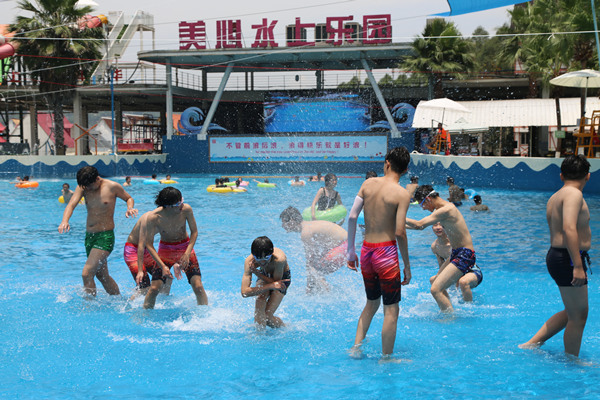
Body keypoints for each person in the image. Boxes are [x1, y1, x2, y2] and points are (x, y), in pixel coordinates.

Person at [519, 155, 592, 357]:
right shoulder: (574, 195)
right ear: (588, 176)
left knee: (572, 312)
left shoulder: (556, 196)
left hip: (560, 256)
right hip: (568, 257)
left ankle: (531, 344)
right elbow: (569, 228)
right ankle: (571, 361)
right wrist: (578, 266)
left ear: (561, 176)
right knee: (578, 316)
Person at [346, 147, 412, 360]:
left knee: (371, 303)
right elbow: (400, 232)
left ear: (387, 163)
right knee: (391, 310)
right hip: (386, 254)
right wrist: (407, 265)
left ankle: (355, 348)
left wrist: (350, 252)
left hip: (366, 251)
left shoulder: (368, 184)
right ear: (405, 170)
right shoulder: (402, 194)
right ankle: (386, 358)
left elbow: (352, 217)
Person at [58, 166, 138, 296]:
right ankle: (118, 300)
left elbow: (129, 198)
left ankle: (89, 305)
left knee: (86, 274)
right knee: (102, 276)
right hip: (90, 237)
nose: (87, 189)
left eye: (90, 186)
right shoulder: (83, 187)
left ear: (97, 178)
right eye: (85, 186)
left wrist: (129, 208)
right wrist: (64, 221)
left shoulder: (112, 186)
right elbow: (71, 205)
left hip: (105, 237)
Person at [406, 185, 477, 312]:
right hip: (456, 253)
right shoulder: (442, 209)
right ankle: (449, 309)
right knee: (434, 282)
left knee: (435, 290)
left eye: (422, 204)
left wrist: (395, 216)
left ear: (428, 199)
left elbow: (419, 224)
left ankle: (450, 317)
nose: (423, 208)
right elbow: (419, 227)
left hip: (465, 254)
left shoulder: (446, 209)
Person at [139, 187, 208, 309]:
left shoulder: (186, 210)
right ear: (168, 206)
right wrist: (163, 266)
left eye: (181, 201)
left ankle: (205, 313)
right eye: (178, 204)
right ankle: (145, 314)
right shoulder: (154, 217)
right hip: (165, 250)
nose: (181, 205)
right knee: (154, 289)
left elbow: (194, 232)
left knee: (198, 286)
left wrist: (187, 253)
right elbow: (148, 244)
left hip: (185, 247)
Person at [280, 206, 347, 292]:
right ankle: (315, 290)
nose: (282, 226)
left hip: (344, 248)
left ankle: (327, 292)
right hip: (347, 246)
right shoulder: (309, 225)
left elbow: (310, 263)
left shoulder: (306, 232)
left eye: (284, 222)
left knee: (315, 268)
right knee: (315, 266)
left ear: (292, 221)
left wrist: (308, 288)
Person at [241, 236, 291, 328]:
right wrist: (268, 285)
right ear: (253, 255)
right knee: (260, 300)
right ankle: (259, 334)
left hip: (282, 279)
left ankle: (284, 328)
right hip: (264, 274)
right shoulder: (249, 261)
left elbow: (277, 283)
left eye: (266, 258)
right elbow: (244, 293)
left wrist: (257, 273)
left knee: (268, 317)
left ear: (271, 254)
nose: (263, 262)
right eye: (258, 259)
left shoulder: (279, 260)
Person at [429, 222, 482, 302]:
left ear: (446, 227)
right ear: (432, 228)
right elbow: (441, 266)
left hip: (471, 271)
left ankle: (469, 307)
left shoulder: (455, 243)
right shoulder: (435, 246)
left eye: (441, 225)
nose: (438, 228)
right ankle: (448, 302)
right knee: (433, 280)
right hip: (455, 272)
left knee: (463, 282)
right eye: (435, 225)